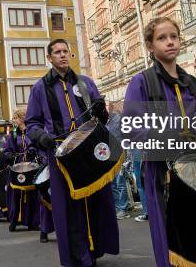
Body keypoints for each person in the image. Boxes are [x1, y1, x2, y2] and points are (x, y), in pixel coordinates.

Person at [122, 17, 196, 267]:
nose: (170, 42)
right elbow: (131, 128)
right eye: (162, 38)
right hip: (163, 171)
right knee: (170, 233)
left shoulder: (191, 82)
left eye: (174, 36)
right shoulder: (141, 82)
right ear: (150, 46)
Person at [26, 38, 118, 267]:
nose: (63, 55)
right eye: (57, 52)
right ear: (49, 58)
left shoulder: (86, 83)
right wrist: (41, 137)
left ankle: (95, 248)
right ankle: (80, 256)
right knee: (70, 209)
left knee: (98, 201)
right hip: (60, 156)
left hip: (89, 152)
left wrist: (101, 112)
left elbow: (101, 119)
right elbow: (32, 124)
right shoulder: (40, 88)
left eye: (65, 51)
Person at [3, 108, 40, 233]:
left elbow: (37, 146)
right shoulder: (13, 135)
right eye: (13, 118)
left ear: (23, 118)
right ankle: (14, 221)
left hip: (31, 167)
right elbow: (6, 151)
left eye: (15, 118)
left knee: (32, 195)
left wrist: (33, 151)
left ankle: (33, 222)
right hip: (17, 169)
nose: (14, 120)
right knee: (16, 195)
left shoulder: (31, 131)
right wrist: (11, 156)